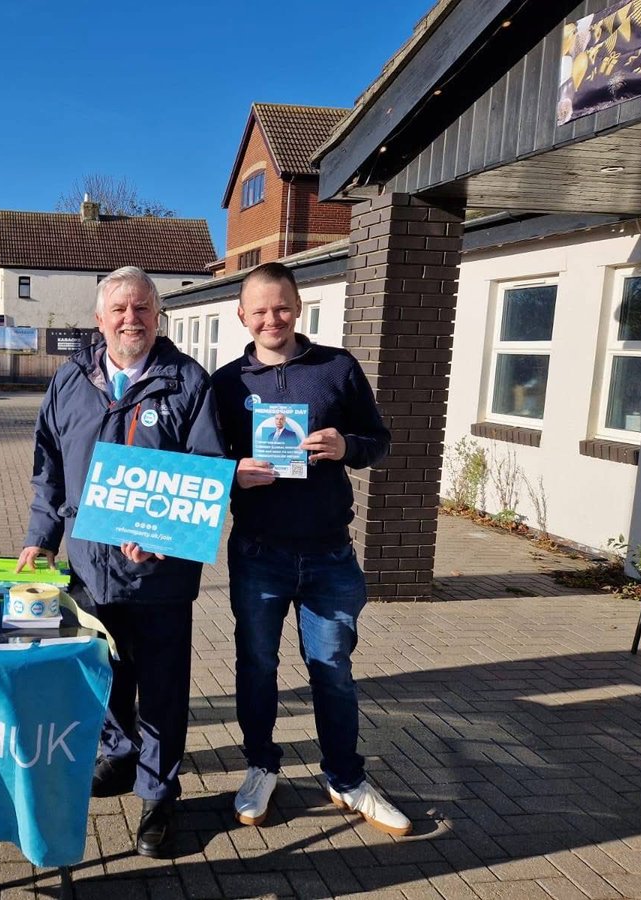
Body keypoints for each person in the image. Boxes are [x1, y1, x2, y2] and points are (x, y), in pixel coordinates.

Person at [16, 266, 224, 858]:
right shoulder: (70, 380)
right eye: (120, 310)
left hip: (160, 575)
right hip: (89, 568)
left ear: (157, 316)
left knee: (161, 686)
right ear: (100, 319)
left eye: (142, 309)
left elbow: (207, 470)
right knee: (104, 675)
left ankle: (159, 794)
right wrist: (41, 537)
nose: (131, 319)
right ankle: (121, 754)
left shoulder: (187, 382)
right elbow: (48, 468)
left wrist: (169, 533)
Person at [210, 262, 409, 836]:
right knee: (257, 667)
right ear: (242, 315)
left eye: (282, 307)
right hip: (258, 553)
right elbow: (202, 460)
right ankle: (260, 767)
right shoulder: (227, 384)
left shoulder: (336, 368)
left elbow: (378, 440)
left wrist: (348, 444)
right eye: (260, 309)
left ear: (298, 308)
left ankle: (346, 777)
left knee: (333, 671)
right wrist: (231, 474)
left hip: (328, 555)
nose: (272, 318)